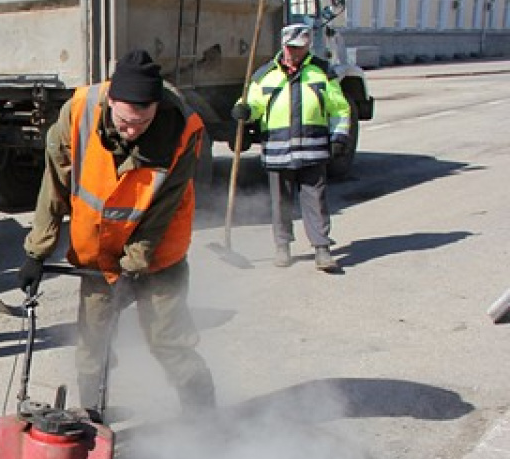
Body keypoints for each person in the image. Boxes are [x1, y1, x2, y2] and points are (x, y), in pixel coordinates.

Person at [17, 49, 216, 421]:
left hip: (160, 255)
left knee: (169, 342)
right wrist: (37, 251)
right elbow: (55, 183)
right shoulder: (77, 112)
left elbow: (162, 210)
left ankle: (203, 418)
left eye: (142, 123)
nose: (131, 130)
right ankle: (92, 420)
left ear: (156, 108)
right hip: (98, 254)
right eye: (125, 122)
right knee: (92, 345)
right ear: (111, 100)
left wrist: (133, 263)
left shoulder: (184, 130)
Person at [231, 23, 351, 273]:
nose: (293, 53)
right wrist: (244, 111)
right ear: (282, 46)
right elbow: (252, 104)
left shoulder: (322, 72)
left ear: (307, 46)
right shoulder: (264, 74)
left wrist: (340, 136)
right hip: (277, 151)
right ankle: (282, 246)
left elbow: (339, 108)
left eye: (299, 48)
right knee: (280, 203)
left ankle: (321, 249)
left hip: (313, 151)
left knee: (315, 200)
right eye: (290, 48)